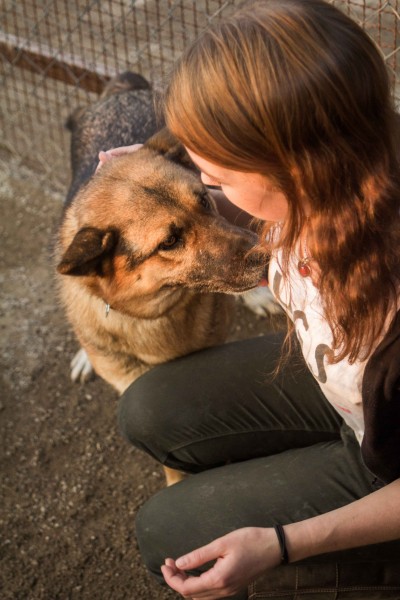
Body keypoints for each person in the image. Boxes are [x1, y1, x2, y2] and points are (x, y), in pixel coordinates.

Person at [114, 1, 400, 598]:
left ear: (294, 167)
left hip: (389, 466)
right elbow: (246, 206)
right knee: (148, 409)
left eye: (215, 175)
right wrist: (152, 193)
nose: (201, 178)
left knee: (166, 532)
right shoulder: (352, 163)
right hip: (351, 393)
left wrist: (284, 541)